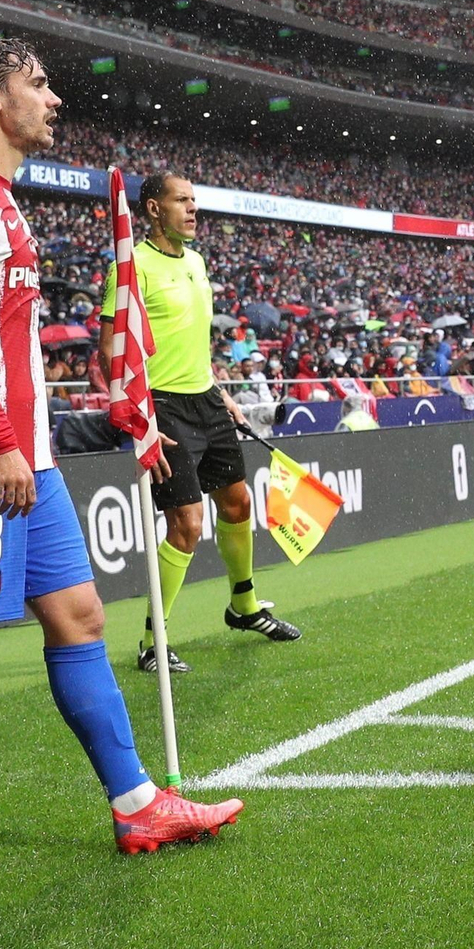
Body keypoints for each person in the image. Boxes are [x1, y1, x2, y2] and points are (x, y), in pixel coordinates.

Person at [0, 35, 242, 876]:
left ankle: (138, 806)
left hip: (26, 456)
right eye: (37, 83)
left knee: (80, 617)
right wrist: (1, 443)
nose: (54, 97)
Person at [99, 171, 300, 676]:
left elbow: (193, 343)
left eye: (195, 200)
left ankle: (244, 608)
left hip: (205, 401)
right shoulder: (130, 267)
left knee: (237, 503)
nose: (192, 209)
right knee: (186, 524)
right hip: (162, 408)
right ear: (152, 209)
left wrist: (221, 395)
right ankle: (152, 641)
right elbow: (110, 351)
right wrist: (140, 417)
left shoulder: (197, 261)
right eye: (181, 200)